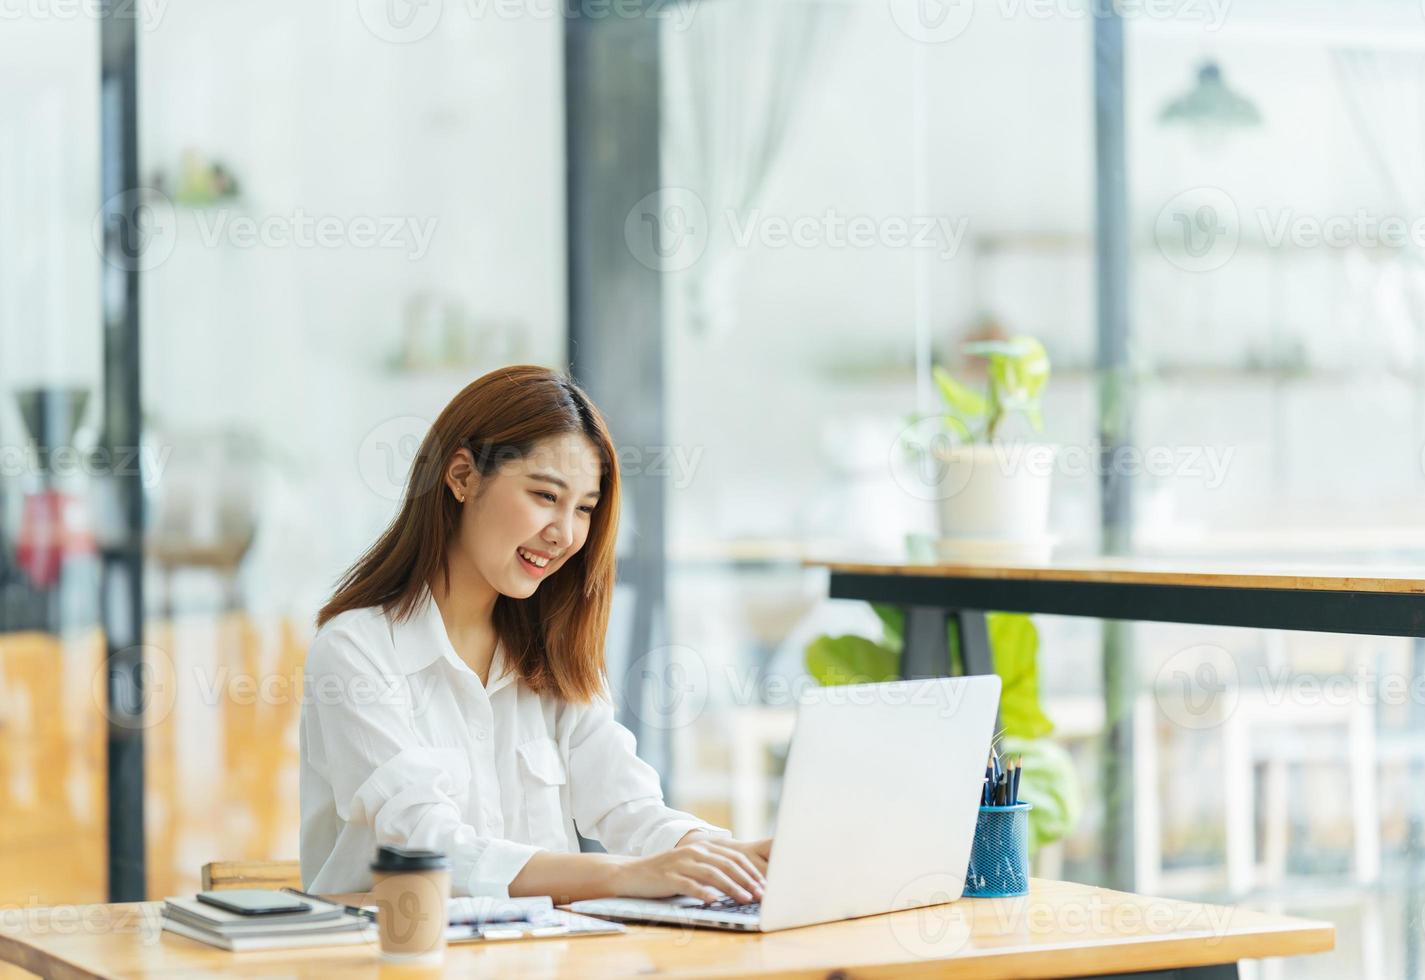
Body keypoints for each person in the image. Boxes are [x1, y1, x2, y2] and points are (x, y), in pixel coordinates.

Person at [299, 365, 770, 904]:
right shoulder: (356, 651)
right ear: (461, 477)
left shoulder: (554, 650)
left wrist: (728, 858)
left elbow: (628, 806)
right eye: (546, 496)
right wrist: (618, 876)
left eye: (585, 509)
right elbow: (426, 847)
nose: (565, 534)